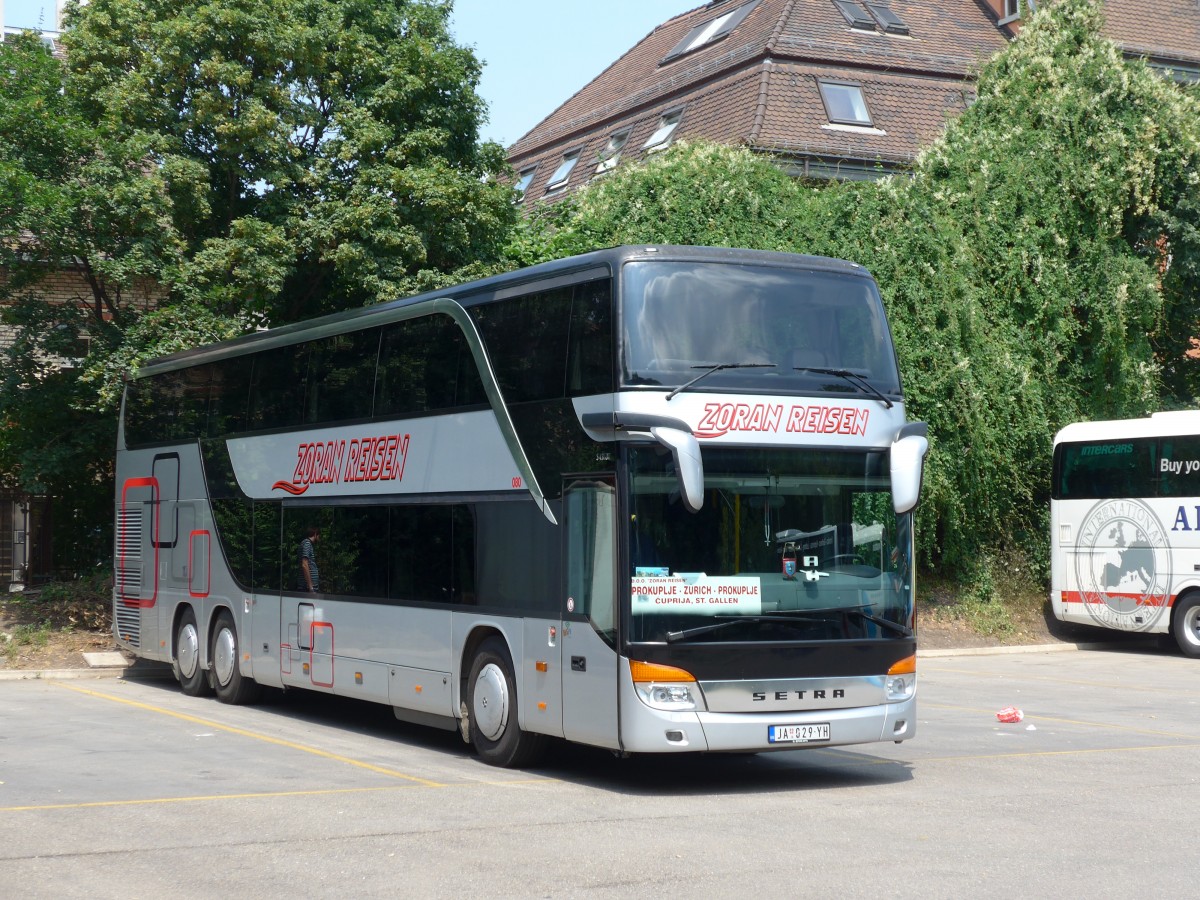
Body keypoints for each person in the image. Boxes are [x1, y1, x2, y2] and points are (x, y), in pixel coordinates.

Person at [299, 526, 320, 593]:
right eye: (319, 536)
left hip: (308, 587)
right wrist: (311, 587)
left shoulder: (307, 543)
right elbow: (304, 564)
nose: (319, 538)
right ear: (315, 534)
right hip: (307, 588)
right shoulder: (307, 543)